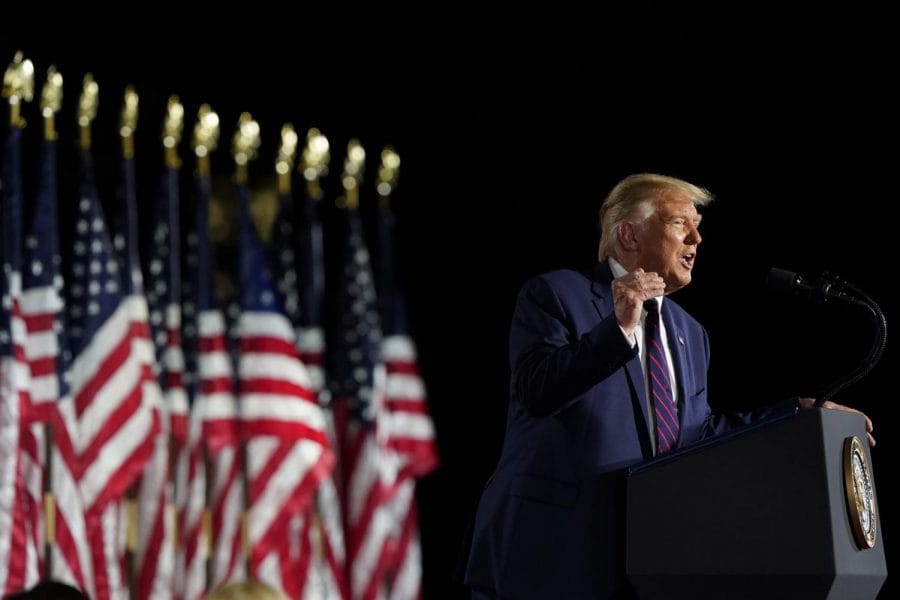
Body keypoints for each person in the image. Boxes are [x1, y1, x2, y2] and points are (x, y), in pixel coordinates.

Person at [463, 173, 874, 598]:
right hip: (551, 554)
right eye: (681, 223)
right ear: (629, 233)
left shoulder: (690, 332)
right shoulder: (556, 293)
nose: (697, 238)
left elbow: (696, 435)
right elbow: (537, 391)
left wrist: (798, 415)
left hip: (650, 560)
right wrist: (619, 328)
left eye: (698, 226)